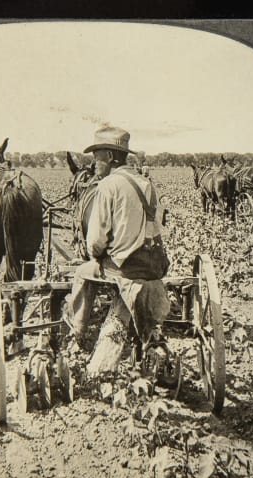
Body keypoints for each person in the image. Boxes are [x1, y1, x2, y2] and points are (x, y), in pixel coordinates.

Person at [63, 127, 171, 373]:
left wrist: (98, 257)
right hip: (153, 265)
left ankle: (77, 332)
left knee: (83, 272)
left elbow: (95, 241)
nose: (95, 163)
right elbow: (155, 228)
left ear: (110, 157)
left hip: (124, 268)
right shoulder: (146, 184)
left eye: (97, 157)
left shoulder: (108, 186)